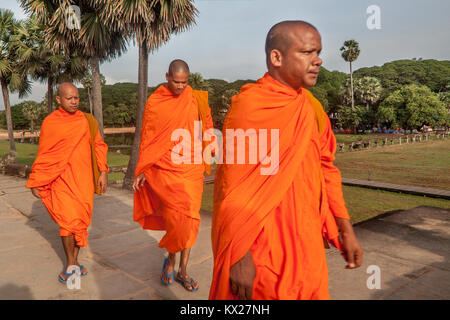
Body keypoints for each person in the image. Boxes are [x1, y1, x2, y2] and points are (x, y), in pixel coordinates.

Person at [210, 21, 363, 300]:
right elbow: (232, 188)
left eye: (318, 52)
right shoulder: (250, 107)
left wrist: (345, 228)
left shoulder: (311, 108)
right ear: (276, 57)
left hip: (307, 245)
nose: (317, 61)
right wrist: (238, 255)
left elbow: (327, 169)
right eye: (306, 52)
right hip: (263, 247)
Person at [133, 60, 214, 292]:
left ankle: (183, 270)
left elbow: (207, 124)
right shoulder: (156, 101)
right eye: (176, 81)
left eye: (184, 82)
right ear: (167, 76)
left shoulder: (196, 99)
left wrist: (211, 145)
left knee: (189, 219)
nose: (180, 86)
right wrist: (143, 168)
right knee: (175, 221)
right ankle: (170, 259)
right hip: (166, 169)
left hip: (191, 168)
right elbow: (149, 137)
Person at [26, 82, 109, 284]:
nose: (74, 102)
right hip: (61, 180)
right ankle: (71, 264)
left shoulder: (87, 121)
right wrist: (37, 181)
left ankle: (74, 262)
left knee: (79, 223)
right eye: (69, 98)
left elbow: (99, 146)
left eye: (77, 98)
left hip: (83, 181)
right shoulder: (50, 123)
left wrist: (103, 171)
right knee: (67, 223)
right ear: (59, 100)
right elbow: (44, 154)